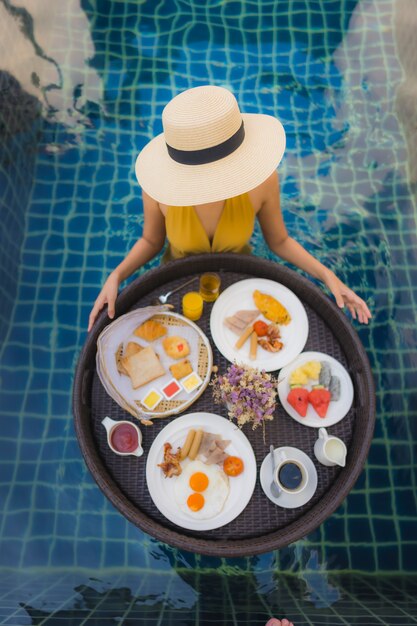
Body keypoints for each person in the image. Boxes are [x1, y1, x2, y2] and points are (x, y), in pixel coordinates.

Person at [88, 85, 371, 331]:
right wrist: (116, 275)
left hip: (240, 281)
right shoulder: (158, 190)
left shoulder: (261, 182)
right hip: (178, 282)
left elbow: (279, 240)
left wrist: (327, 275)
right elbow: (151, 241)